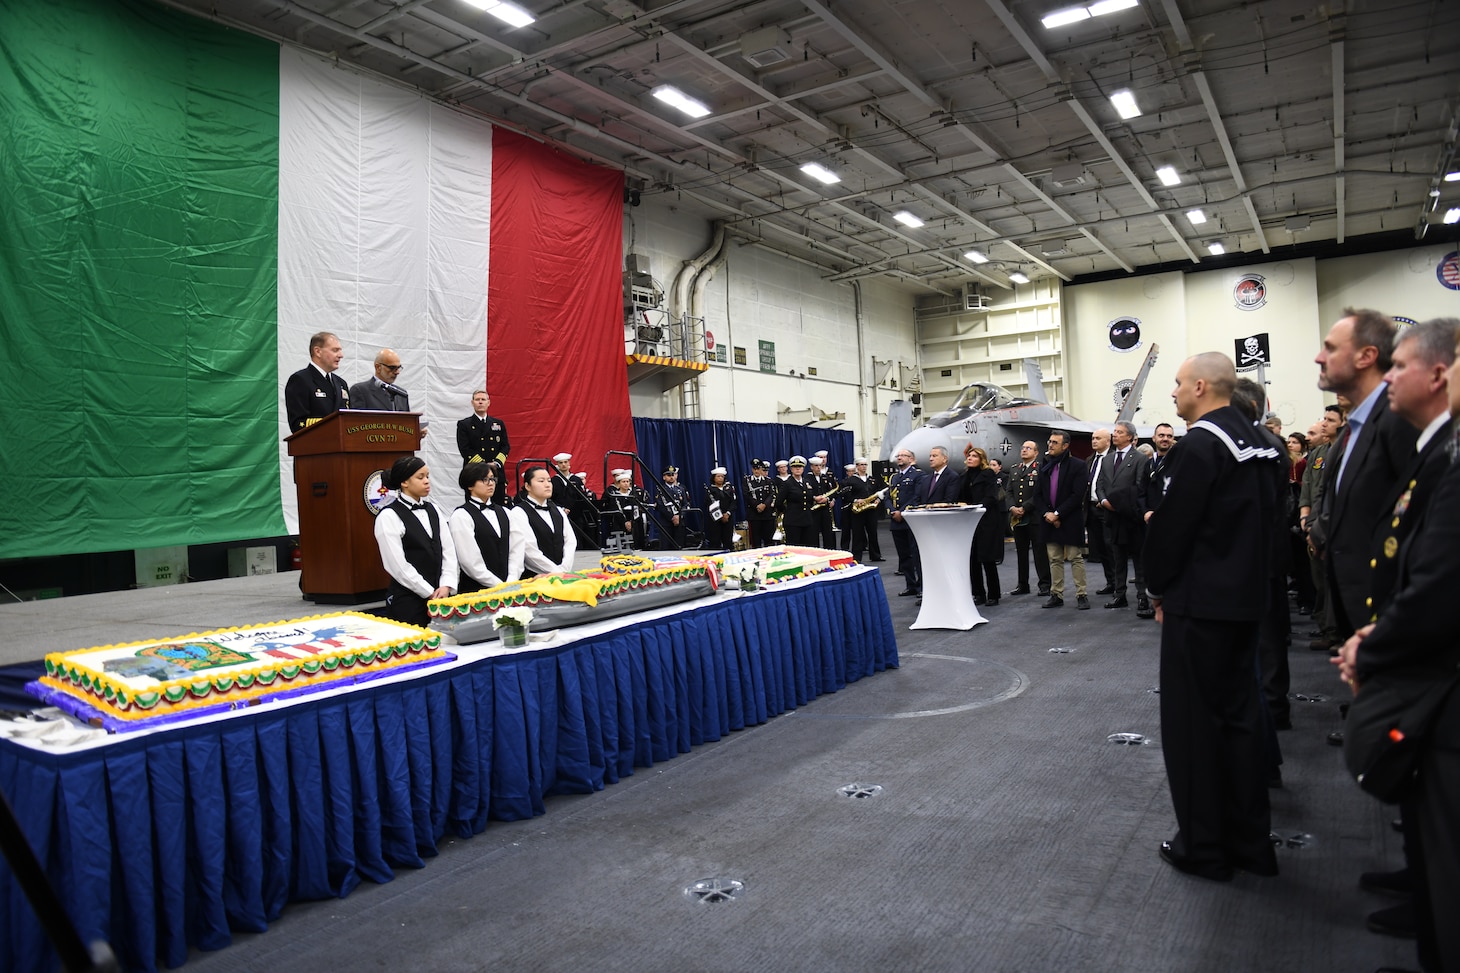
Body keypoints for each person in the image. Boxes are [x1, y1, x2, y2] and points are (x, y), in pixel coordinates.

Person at [1333, 318, 1460, 973]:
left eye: (1399, 366)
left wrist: (1371, 647)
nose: (1389, 379)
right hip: (1411, 654)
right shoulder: (1434, 449)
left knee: (1449, 854)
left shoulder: (1446, 456)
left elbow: (1438, 580)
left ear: (1438, 373)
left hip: (1436, 677)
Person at [1144, 352, 1282, 882]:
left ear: (1201, 386)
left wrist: (1157, 588)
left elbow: (1175, 529)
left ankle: (1204, 846)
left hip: (1199, 606)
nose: (1174, 393)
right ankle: (1251, 843)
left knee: (1193, 729)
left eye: (1178, 384)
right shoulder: (1262, 444)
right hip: (1246, 601)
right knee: (1240, 723)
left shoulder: (1201, 444)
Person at [1313, 308, 1419, 643]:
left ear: (1367, 356)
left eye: (1330, 348)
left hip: (1393, 613)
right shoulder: (1354, 429)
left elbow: (1419, 523)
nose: (1319, 357)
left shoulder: (1397, 419)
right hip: (1359, 606)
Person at [372, 456, 458, 627]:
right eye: (420, 477)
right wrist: (428, 592)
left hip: (443, 596)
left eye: (428, 476)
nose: (427, 481)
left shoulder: (433, 509)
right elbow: (397, 566)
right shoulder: (389, 516)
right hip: (409, 600)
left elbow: (448, 551)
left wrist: (447, 584)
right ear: (404, 482)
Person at [1097, 421, 1152, 615]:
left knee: (1138, 560)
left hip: (1131, 517)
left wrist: (1118, 505)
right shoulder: (1107, 459)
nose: (1115, 435)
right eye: (1115, 432)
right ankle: (1119, 595)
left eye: (1120, 432)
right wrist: (1104, 502)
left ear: (1130, 437)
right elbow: (1100, 485)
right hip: (1112, 517)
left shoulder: (1139, 459)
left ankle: (1142, 597)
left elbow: (1139, 488)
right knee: (1117, 557)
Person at [1032, 431, 1089, 610]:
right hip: (1048, 519)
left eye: (1055, 442)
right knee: (1054, 558)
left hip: (1070, 518)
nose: (1050, 445)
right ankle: (1056, 594)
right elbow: (1038, 495)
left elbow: (1077, 494)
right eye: (1049, 441)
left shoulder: (1077, 465)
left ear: (1065, 446)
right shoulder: (1045, 466)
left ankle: (1082, 594)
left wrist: (1058, 514)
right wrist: (1047, 514)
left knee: (1075, 557)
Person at [449, 463, 523, 592]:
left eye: (493, 479)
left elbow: (517, 548)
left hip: (510, 587)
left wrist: (512, 579)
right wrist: (498, 585)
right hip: (477, 590)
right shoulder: (461, 515)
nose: (491, 483)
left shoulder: (506, 513)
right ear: (470, 485)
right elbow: (470, 561)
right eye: (485, 479)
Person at [512, 466, 576, 576]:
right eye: (541, 481)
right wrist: (556, 571)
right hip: (534, 577)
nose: (547, 485)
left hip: (563, 575)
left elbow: (570, 541)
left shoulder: (558, 511)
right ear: (527, 486)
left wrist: (564, 569)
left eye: (549, 480)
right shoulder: (519, 512)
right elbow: (529, 549)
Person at [1006, 441, 1051, 597]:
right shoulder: (1014, 470)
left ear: (1036, 452)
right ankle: (1022, 584)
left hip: (1034, 516)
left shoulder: (1040, 469)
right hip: (1017, 518)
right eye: (1023, 447)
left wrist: (1025, 507)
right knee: (1021, 553)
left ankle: (1045, 584)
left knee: (1040, 552)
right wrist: (1012, 508)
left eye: (1028, 448)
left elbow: (1041, 493)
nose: (1024, 450)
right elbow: (1009, 492)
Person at [959, 446, 1002, 606]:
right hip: (969, 522)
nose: (970, 458)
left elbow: (991, 497)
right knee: (972, 560)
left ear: (981, 459)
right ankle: (978, 593)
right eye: (969, 455)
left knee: (987, 559)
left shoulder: (988, 474)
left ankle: (994, 594)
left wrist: (975, 506)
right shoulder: (964, 476)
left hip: (986, 520)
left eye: (974, 456)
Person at [284, 331, 350, 431]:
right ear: (318, 351)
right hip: (315, 443)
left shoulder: (341, 383)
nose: (341, 355)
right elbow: (298, 423)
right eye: (335, 350)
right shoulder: (300, 380)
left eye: (340, 350)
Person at [456, 390, 510, 502]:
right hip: (475, 472)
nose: (480, 402)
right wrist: (484, 466)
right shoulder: (464, 425)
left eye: (483, 399)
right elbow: (465, 449)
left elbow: (505, 447)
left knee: (498, 508)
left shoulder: (498, 424)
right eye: (477, 399)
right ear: (472, 403)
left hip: (496, 472)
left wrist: (496, 463)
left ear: (488, 402)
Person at [887, 448, 924, 597]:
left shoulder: (918, 475)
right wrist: (891, 511)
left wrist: (902, 512)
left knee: (915, 554)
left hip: (910, 519)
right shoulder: (894, 478)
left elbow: (916, 496)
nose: (900, 458)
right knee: (903, 556)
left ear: (912, 459)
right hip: (896, 521)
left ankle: (922, 586)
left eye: (904, 455)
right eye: (899, 456)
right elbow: (888, 497)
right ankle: (911, 585)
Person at [1085, 427, 1116, 596]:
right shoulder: (1090, 460)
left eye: (1098, 438)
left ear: (1107, 441)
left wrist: (1105, 500)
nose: (1094, 441)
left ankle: (1118, 583)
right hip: (1091, 509)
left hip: (1107, 509)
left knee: (1110, 546)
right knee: (1100, 549)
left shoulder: (1113, 459)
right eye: (1093, 438)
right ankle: (1110, 581)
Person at [841, 457, 884, 562]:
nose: (864, 467)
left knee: (873, 533)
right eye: (861, 465)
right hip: (858, 511)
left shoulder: (872, 479)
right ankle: (857, 557)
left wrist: (878, 499)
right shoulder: (851, 480)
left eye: (865, 464)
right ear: (857, 466)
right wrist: (856, 500)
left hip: (871, 510)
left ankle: (875, 555)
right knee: (858, 534)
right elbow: (845, 495)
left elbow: (880, 491)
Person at [349, 348, 412, 413]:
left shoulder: (401, 394)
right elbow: (356, 420)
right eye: (392, 368)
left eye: (398, 368)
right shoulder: (360, 391)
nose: (397, 372)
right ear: (378, 367)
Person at [778, 456, 818, 546]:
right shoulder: (787, 484)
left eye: (800, 467)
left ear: (803, 469)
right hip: (793, 521)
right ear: (791, 469)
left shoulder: (806, 482)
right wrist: (788, 511)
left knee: (807, 547)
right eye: (795, 467)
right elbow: (778, 502)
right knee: (794, 547)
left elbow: (809, 499)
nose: (797, 469)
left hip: (807, 520)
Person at [602, 470, 647, 549]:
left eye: (627, 481)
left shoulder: (633, 494)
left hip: (634, 522)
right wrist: (625, 522)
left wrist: (632, 521)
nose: (626, 483)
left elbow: (637, 508)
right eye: (623, 482)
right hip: (620, 523)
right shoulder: (614, 495)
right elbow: (616, 510)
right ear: (619, 483)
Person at [744, 459, 777, 547]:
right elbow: (747, 495)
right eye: (754, 469)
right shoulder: (747, 481)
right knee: (756, 540)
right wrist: (757, 505)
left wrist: (764, 505)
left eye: (758, 469)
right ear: (752, 469)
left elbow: (771, 494)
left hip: (767, 514)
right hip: (754, 514)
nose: (756, 471)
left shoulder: (768, 481)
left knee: (769, 539)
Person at [656, 465, 690, 548]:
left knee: (679, 546)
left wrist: (679, 516)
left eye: (672, 475)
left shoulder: (680, 489)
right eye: (668, 475)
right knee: (666, 547)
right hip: (666, 523)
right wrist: (672, 517)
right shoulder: (660, 489)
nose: (671, 477)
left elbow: (686, 504)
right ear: (664, 477)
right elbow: (660, 506)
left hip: (679, 522)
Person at [705, 466, 736, 550]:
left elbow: (733, 502)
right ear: (714, 478)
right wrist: (720, 516)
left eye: (722, 476)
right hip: (715, 520)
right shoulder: (710, 489)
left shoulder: (729, 488)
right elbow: (709, 504)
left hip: (728, 518)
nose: (720, 478)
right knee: (715, 542)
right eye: (718, 476)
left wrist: (728, 514)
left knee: (728, 541)